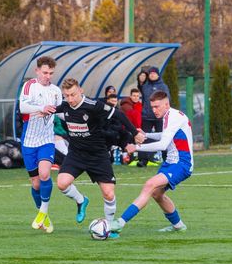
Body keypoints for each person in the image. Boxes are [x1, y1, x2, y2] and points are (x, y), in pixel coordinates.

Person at [52, 78, 145, 237]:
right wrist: (42, 109)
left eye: (73, 94)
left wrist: (135, 133)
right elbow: (51, 109)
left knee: (108, 193)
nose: (70, 99)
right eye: (66, 95)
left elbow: (119, 115)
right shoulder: (65, 105)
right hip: (76, 154)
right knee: (62, 183)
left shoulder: (94, 105)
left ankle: (109, 227)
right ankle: (81, 200)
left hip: (97, 155)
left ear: (80, 90)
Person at [110, 90, 193, 236]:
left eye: (157, 106)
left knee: (150, 185)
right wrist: (146, 134)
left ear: (166, 104)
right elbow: (166, 135)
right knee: (156, 193)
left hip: (181, 163)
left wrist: (136, 147)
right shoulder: (169, 115)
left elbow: (163, 145)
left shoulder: (174, 117)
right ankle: (178, 226)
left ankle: (120, 223)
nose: (154, 110)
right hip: (171, 162)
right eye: (152, 107)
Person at [19, 56, 62, 233]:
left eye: (51, 73)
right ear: (37, 71)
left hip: (46, 140)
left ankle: (43, 211)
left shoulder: (56, 91)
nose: (47, 76)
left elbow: (62, 112)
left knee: (45, 174)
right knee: (36, 184)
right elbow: (22, 108)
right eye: (45, 72)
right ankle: (44, 215)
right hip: (29, 141)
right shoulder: (29, 86)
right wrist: (41, 108)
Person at [139, 66, 170, 167]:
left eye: (154, 73)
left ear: (158, 75)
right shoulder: (145, 86)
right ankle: (143, 160)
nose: (152, 75)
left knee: (164, 137)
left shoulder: (163, 86)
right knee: (144, 137)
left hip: (160, 117)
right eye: (150, 73)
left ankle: (166, 158)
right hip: (146, 116)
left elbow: (167, 100)